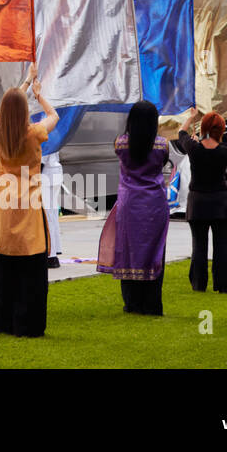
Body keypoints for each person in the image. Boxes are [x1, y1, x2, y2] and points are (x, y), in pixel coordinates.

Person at [0, 65, 58, 336]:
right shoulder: (34, 133)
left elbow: (8, 108)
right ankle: (27, 324)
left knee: (2, 267)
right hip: (28, 206)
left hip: (3, 206)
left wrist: (25, 84)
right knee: (30, 268)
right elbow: (54, 116)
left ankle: (0, 323)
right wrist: (39, 94)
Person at [96, 101, 170, 315]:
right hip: (155, 204)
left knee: (127, 251)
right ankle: (152, 303)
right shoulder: (162, 145)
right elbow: (162, 162)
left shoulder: (120, 143)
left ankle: (132, 302)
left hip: (129, 204)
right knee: (154, 251)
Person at [172, 108, 227, 293]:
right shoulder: (225, 152)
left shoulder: (194, 149)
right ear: (221, 131)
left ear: (203, 128)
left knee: (199, 246)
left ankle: (199, 284)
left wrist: (191, 118)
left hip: (198, 202)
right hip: (220, 202)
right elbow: (212, 149)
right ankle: (222, 285)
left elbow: (181, 133)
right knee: (221, 246)